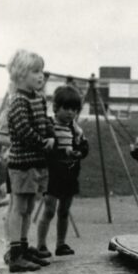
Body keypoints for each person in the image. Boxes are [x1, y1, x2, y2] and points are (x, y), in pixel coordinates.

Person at [5, 49, 55, 272]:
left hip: (37, 162)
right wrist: (42, 142)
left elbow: (44, 121)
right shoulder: (18, 101)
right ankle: (15, 253)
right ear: (21, 74)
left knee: (29, 207)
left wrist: (51, 134)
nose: (40, 75)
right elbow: (24, 129)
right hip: (23, 163)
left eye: (41, 71)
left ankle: (23, 247)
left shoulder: (39, 98)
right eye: (35, 71)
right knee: (19, 207)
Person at [36, 85, 89, 258]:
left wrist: (79, 151)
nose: (70, 113)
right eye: (66, 108)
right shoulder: (49, 126)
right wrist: (61, 151)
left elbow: (84, 146)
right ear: (56, 108)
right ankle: (41, 245)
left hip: (69, 175)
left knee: (64, 211)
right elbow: (46, 149)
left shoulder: (75, 129)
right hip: (52, 174)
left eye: (74, 109)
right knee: (49, 210)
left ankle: (60, 243)